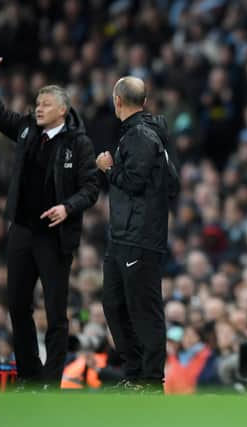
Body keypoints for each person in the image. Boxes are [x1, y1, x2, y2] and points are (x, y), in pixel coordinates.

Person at [0, 49, 99, 389]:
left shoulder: (79, 143)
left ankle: (51, 380)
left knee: (56, 312)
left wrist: (68, 207)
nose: (38, 107)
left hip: (55, 237)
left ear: (63, 109)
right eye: (37, 102)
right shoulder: (27, 129)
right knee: (16, 304)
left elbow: (92, 186)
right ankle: (29, 375)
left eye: (45, 103)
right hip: (23, 231)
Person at [96, 76, 170, 393]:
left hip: (139, 236)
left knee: (142, 307)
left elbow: (134, 181)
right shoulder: (147, 134)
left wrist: (109, 168)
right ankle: (135, 372)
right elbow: (173, 182)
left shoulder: (140, 135)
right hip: (125, 235)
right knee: (114, 302)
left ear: (117, 101)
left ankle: (150, 380)